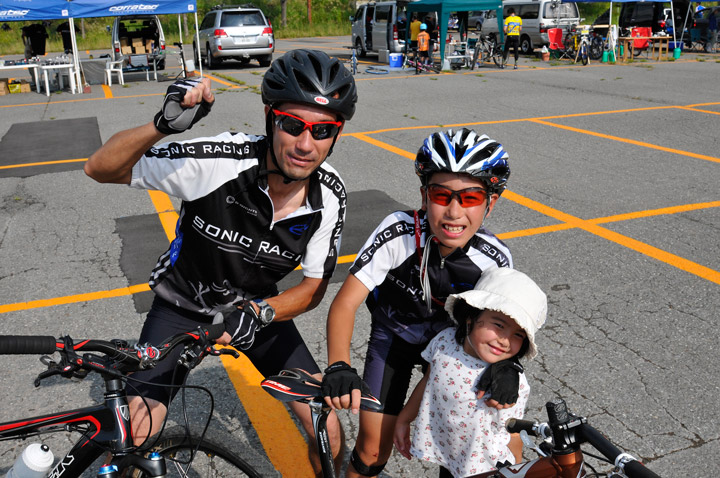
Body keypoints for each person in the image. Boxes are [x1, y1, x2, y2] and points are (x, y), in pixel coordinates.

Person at [84, 49, 357, 476]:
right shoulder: (217, 162)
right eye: (292, 125)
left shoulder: (330, 196)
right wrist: (161, 126)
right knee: (133, 431)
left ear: (336, 133)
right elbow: (99, 168)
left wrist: (261, 311)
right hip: (182, 308)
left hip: (256, 313)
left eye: (323, 130)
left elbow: (313, 289)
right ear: (270, 117)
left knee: (329, 430)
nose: (306, 144)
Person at [322, 128, 518, 478]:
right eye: (442, 195)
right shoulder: (398, 232)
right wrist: (339, 364)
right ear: (424, 196)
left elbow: (508, 327)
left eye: (470, 198)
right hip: (393, 341)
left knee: (468, 451)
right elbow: (345, 303)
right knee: (371, 450)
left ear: (491, 202)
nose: (454, 212)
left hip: (453, 353)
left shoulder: (494, 260)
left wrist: (510, 368)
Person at [393, 267, 547, 477]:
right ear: (470, 317)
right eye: (499, 325)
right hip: (449, 454)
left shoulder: (511, 383)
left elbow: (513, 432)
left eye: (518, 335)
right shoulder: (444, 341)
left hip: (486, 467)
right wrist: (403, 419)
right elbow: (428, 381)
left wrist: (516, 470)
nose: (504, 340)